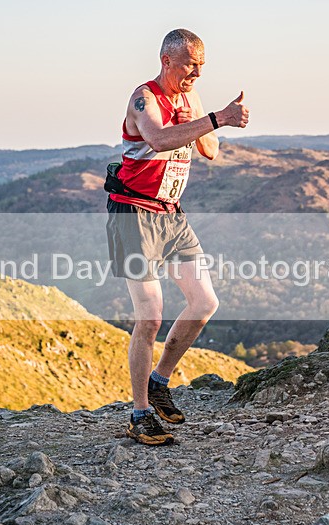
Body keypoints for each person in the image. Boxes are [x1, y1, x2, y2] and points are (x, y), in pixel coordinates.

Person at [106, 28, 250, 446]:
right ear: (167, 60)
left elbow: (211, 150)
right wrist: (216, 119)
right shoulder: (144, 97)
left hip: (171, 215)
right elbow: (158, 138)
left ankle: (159, 381)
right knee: (149, 316)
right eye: (191, 65)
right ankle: (139, 413)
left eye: (202, 66)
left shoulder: (191, 99)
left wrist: (203, 124)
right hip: (133, 213)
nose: (198, 74)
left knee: (205, 302)